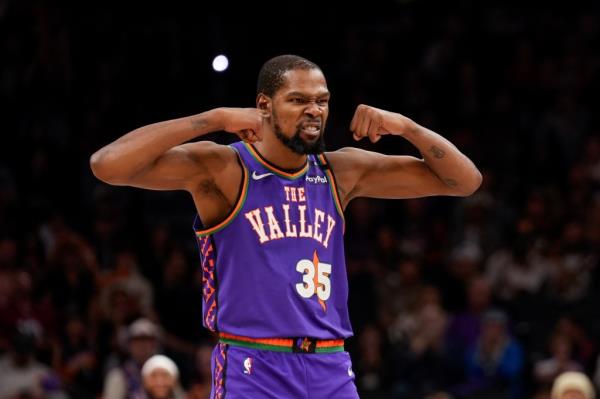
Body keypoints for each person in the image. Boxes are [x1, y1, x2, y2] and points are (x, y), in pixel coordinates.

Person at [90, 54, 482, 398]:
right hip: (253, 364)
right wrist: (214, 119)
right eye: (298, 100)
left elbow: (464, 181)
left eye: (322, 101)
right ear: (264, 105)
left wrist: (407, 128)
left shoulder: (339, 172)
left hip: (331, 364)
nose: (314, 110)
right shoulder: (225, 169)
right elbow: (108, 164)